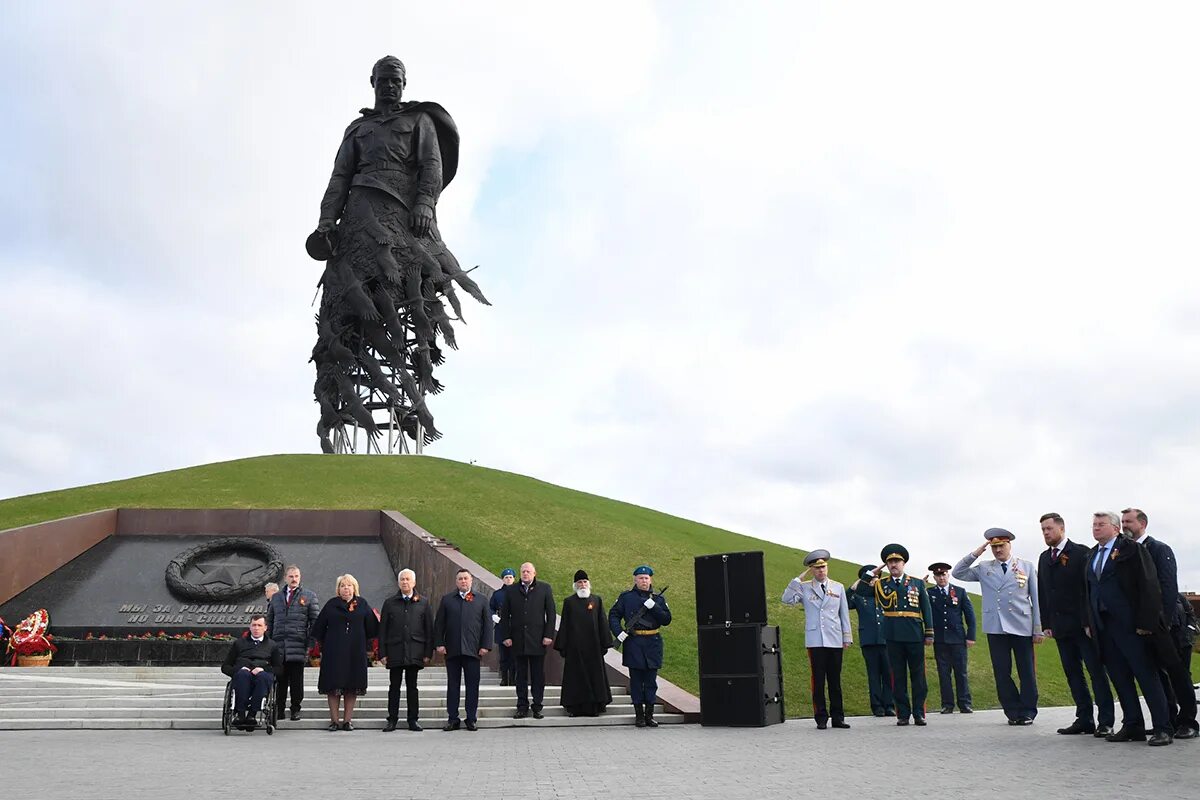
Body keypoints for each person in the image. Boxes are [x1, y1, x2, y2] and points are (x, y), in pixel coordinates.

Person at [308, 55, 487, 453]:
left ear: (404, 83)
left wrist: (425, 203)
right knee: (347, 313)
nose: (390, 86)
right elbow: (339, 178)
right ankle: (339, 424)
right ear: (372, 81)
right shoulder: (358, 130)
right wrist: (326, 224)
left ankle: (410, 408)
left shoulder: (419, 122)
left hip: (405, 219)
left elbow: (431, 167)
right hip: (359, 217)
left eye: (396, 80)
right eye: (384, 80)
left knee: (404, 302)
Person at [1083, 511, 1172, 746]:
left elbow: (1148, 584)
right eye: (1094, 525)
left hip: (1131, 625)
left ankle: (1163, 726)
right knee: (1120, 677)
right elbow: (1090, 591)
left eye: (1101, 525)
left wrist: (1146, 623)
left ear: (1115, 528)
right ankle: (1133, 724)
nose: (1096, 529)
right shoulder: (1093, 555)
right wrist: (1090, 622)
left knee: (1146, 675)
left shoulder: (1130, 549)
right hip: (1104, 626)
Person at [1121, 508, 1198, 739]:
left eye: (1129, 521)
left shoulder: (1159, 549)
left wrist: (1159, 621)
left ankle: (1188, 722)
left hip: (1166, 625)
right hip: (1142, 625)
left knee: (1178, 674)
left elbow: (1167, 587)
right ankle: (1169, 720)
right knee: (1158, 675)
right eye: (1122, 521)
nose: (1125, 525)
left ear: (1142, 524)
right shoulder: (1128, 551)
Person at [952, 528, 1042, 725]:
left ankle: (1028, 710)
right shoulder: (985, 568)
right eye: (994, 547)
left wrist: (1038, 628)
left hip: (1021, 624)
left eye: (1001, 545)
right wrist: (976, 553)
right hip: (996, 626)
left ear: (1010, 545)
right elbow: (958, 573)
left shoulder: (1026, 566)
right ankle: (1012, 710)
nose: (998, 550)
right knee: (1001, 672)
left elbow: (1036, 597)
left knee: (1026, 670)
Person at [1036, 512, 1114, 737]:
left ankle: (1105, 720)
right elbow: (1043, 591)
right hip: (1060, 627)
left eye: (1049, 529)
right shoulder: (1044, 557)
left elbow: (1088, 590)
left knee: (1096, 673)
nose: (1045, 533)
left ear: (1061, 528)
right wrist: (1047, 622)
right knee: (1072, 674)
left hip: (1083, 627)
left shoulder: (1081, 553)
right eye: (1042, 530)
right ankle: (1084, 718)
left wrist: (1088, 621)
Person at [782, 549, 852, 729]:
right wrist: (795, 581)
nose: (821, 571)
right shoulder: (804, 587)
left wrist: (847, 637)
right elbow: (786, 599)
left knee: (835, 681)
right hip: (816, 639)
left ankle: (838, 717)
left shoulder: (837, 587)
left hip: (835, 638)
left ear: (827, 568)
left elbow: (844, 613)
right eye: (817, 568)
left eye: (823, 567)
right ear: (812, 570)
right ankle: (821, 717)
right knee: (818, 680)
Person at [874, 544, 933, 726]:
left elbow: (926, 608)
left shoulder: (916, 583)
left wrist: (929, 632)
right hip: (893, 635)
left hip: (914, 633)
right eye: (890, 562)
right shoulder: (881, 584)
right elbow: (860, 590)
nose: (894, 565)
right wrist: (873, 573)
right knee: (897, 677)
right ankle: (903, 714)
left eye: (897, 561)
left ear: (903, 563)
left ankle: (919, 713)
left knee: (918, 677)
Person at [311, 573, 378, 731]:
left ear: (354, 588)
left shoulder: (362, 604)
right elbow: (319, 628)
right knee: (333, 688)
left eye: (349, 585)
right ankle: (334, 721)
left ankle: (347, 721)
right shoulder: (331, 605)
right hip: (334, 652)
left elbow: (372, 628)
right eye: (342, 585)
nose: (346, 588)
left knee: (351, 687)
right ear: (338, 589)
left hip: (355, 652)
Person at [609, 565, 673, 728]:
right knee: (636, 681)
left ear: (650, 580)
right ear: (635, 580)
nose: (643, 581)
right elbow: (614, 615)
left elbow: (666, 619)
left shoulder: (658, 599)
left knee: (651, 681)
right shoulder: (626, 597)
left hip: (653, 643)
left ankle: (649, 715)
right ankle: (639, 716)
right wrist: (619, 633)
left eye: (646, 578)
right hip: (634, 643)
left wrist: (655, 607)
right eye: (640, 578)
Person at [435, 568, 492, 731]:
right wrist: (439, 643)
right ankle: (453, 718)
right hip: (452, 650)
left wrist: (485, 645)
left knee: (472, 685)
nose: (463, 581)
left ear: (471, 580)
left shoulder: (480, 600)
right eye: (460, 579)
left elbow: (488, 625)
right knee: (453, 685)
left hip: (473, 651)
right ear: (456, 581)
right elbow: (439, 624)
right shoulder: (447, 600)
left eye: (466, 578)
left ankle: (471, 718)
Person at [378, 568, 434, 732]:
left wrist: (427, 653)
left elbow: (429, 629)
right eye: (402, 579)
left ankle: (413, 720)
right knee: (394, 686)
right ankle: (392, 719)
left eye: (408, 579)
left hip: (415, 650)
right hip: (395, 650)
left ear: (414, 582)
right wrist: (382, 652)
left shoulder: (423, 602)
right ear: (398, 582)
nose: (405, 582)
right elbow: (383, 630)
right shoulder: (390, 603)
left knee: (412, 687)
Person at [499, 561, 556, 720]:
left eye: (528, 571)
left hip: (538, 640)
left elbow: (551, 614)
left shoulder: (544, 588)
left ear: (534, 573)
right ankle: (522, 707)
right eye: (523, 571)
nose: (525, 574)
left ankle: (537, 706)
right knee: (521, 676)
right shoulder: (511, 591)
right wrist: (506, 636)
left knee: (538, 676)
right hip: (518, 640)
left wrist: (548, 635)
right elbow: (505, 616)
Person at [554, 570, 614, 717]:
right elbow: (565, 624)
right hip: (575, 650)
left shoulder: (596, 600)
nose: (582, 585)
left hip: (593, 648)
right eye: (579, 582)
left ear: (589, 584)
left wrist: (605, 643)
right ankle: (575, 708)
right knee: (575, 678)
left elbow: (602, 622)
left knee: (595, 677)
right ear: (575, 585)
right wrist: (563, 645)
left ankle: (595, 707)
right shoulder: (569, 602)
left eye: (585, 582)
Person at [266, 564, 321, 722]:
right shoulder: (276, 598)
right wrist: (269, 643)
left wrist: (310, 643)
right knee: (280, 680)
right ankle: (280, 709)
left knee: (297, 682)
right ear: (285, 578)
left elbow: (315, 622)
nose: (294, 579)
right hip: (279, 646)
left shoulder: (309, 596)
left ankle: (296, 709)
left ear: (300, 577)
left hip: (298, 645)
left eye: (296, 576)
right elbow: (269, 620)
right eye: (291, 576)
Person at [927, 561, 976, 714]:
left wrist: (971, 636)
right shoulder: (930, 593)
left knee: (961, 672)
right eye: (938, 575)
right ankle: (947, 704)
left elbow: (970, 616)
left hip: (958, 639)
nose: (941, 578)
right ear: (934, 577)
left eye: (943, 574)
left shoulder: (960, 592)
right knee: (943, 673)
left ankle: (965, 704)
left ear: (948, 575)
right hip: (940, 639)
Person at [847, 564, 894, 717]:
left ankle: (889, 705)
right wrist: (854, 587)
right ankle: (877, 706)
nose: (875, 580)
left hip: (887, 640)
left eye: (877, 577)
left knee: (889, 674)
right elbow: (846, 603)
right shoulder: (860, 597)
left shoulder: (886, 596)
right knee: (873, 674)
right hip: (869, 640)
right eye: (871, 578)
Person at [221, 613, 282, 730]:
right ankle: (241, 715)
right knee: (243, 675)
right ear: (249, 627)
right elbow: (225, 666)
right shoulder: (239, 643)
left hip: (262, 674)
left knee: (263, 677)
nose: (256, 628)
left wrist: (263, 669)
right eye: (254, 625)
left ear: (265, 628)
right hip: (243, 675)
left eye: (259, 625)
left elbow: (279, 669)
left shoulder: (272, 645)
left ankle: (252, 715)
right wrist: (238, 670)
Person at [489, 568, 516, 686]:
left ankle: (514, 679)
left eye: (510, 577)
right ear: (502, 579)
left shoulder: (519, 593)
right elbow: (490, 608)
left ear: (514, 579)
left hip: (515, 627)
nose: (508, 579)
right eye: (506, 577)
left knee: (514, 657)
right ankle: (504, 678)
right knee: (503, 656)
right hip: (501, 627)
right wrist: (494, 616)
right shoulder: (497, 594)